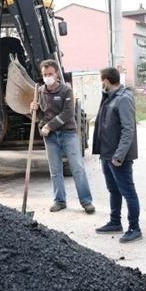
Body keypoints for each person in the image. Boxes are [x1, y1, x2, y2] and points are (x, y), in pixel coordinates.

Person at [29, 60, 95, 214]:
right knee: (55, 170)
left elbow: (67, 114)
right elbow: (41, 115)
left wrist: (48, 126)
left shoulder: (66, 91)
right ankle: (60, 201)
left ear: (56, 74)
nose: (47, 77)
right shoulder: (40, 92)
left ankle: (86, 201)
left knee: (77, 168)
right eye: (45, 75)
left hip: (68, 133)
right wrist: (33, 109)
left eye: (50, 74)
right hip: (50, 137)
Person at [93, 68, 142, 243]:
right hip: (107, 154)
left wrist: (119, 155)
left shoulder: (124, 99)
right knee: (113, 190)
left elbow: (128, 129)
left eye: (102, 80)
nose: (102, 84)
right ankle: (115, 222)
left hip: (118, 157)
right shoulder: (109, 97)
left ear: (106, 80)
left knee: (128, 191)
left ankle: (134, 228)